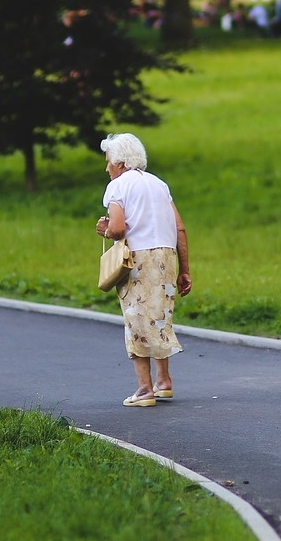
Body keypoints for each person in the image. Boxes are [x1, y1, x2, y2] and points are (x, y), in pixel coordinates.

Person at [94, 133, 192, 408]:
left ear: (120, 162)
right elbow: (180, 229)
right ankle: (164, 382)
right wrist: (185, 270)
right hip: (166, 256)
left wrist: (104, 229)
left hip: (138, 259)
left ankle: (144, 389)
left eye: (108, 162)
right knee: (159, 317)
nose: (106, 168)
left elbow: (117, 228)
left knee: (136, 320)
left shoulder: (117, 186)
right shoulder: (160, 185)